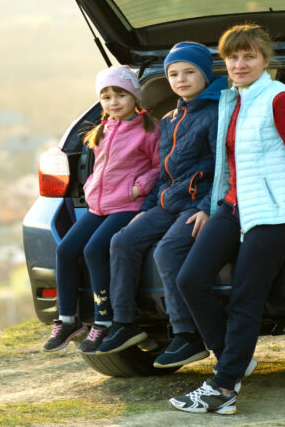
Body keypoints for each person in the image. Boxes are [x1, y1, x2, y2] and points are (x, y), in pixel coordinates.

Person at [169, 24, 285, 415]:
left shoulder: (282, 99)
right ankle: (232, 360)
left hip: (273, 213)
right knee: (190, 280)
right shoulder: (231, 100)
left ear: (265, 60)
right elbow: (227, 162)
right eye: (232, 57)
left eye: (248, 56)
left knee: (245, 297)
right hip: (234, 205)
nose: (239, 64)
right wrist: (211, 205)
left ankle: (224, 388)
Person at [93, 42, 226, 363]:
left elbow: (226, 167)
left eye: (189, 72)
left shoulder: (217, 114)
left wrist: (207, 208)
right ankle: (125, 323)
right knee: (122, 240)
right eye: (173, 74)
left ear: (205, 75)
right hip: (166, 202)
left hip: (197, 203)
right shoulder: (169, 119)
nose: (181, 79)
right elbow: (164, 175)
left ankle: (187, 335)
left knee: (167, 250)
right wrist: (146, 209)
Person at [42, 64, 161, 352]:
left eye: (120, 95)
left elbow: (160, 166)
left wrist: (140, 186)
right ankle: (68, 319)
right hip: (98, 206)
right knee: (66, 250)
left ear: (135, 96)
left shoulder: (148, 129)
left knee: (94, 249)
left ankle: (104, 320)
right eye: (106, 97)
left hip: (128, 205)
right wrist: (91, 188)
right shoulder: (101, 130)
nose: (113, 102)